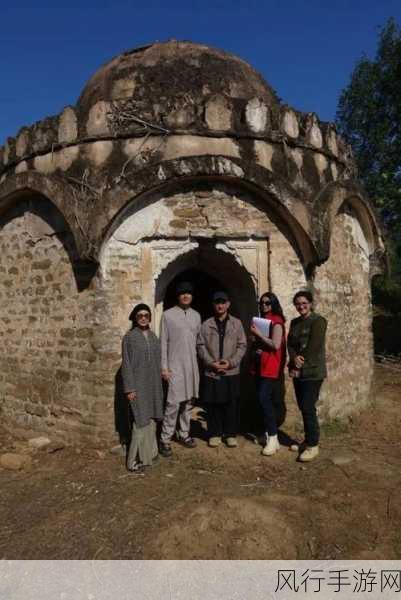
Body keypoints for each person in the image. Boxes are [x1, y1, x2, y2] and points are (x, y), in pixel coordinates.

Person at [197, 291, 247, 448]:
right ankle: (215, 433)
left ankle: (230, 434)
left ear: (228, 304)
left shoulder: (236, 324)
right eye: (217, 302)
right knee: (213, 404)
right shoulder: (206, 324)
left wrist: (231, 362)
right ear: (213, 304)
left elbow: (242, 345)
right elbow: (200, 346)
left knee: (231, 403)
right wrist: (211, 363)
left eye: (223, 302)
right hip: (212, 370)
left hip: (230, 370)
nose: (220, 305)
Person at [159, 281, 201, 457]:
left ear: (192, 296)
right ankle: (165, 438)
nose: (186, 295)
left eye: (188, 293)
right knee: (173, 404)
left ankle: (183, 434)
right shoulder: (167, 315)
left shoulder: (196, 316)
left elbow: (199, 342)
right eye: (182, 293)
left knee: (189, 403)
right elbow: (162, 343)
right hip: (174, 366)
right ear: (178, 296)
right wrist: (164, 368)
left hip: (191, 365)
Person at [121, 303, 164, 473]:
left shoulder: (154, 337)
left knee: (151, 419)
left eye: (146, 315)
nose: (144, 318)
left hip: (153, 385)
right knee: (140, 421)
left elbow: (158, 361)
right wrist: (129, 389)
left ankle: (149, 455)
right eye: (140, 315)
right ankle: (132, 461)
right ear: (135, 318)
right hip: (138, 386)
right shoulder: (129, 338)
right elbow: (126, 365)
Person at [287, 290, 327, 462]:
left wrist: (300, 360)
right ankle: (308, 440)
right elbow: (290, 343)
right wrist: (294, 358)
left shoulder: (318, 321)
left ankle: (313, 445)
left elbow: (314, 345)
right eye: (298, 303)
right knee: (303, 407)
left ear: (310, 303)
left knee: (308, 406)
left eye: (304, 303)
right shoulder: (295, 322)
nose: (301, 306)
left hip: (313, 371)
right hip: (298, 370)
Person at [250, 292, 286, 456]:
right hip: (261, 366)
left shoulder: (276, 322)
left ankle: (273, 437)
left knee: (265, 400)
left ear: (273, 304)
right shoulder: (263, 321)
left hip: (271, 369)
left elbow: (276, 345)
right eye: (262, 303)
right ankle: (271, 436)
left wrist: (258, 335)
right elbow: (265, 344)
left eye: (268, 303)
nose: (264, 306)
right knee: (262, 400)